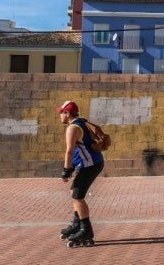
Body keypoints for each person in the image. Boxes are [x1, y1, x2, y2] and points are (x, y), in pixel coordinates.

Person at [56, 100, 104, 246]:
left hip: (90, 165)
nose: (60, 115)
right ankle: (77, 224)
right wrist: (71, 167)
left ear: (67, 113)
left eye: (61, 113)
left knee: (78, 196)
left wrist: (66, 170)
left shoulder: (73, 128)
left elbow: (69, 150)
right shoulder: (80, 122)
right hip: (91, 163)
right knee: (75, 193)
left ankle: (86, 230)